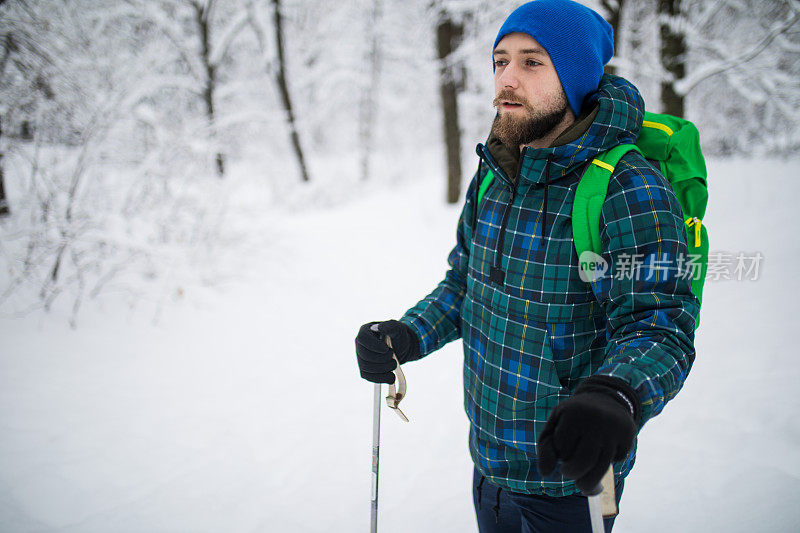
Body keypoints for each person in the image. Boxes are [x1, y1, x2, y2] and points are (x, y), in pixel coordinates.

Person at [355, 0, 699, 531]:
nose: (507, 79)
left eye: (532, 62)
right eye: (500, 60)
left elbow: (660, 326)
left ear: (577, 75)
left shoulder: (628, 187)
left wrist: (616, 393)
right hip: (491, 467)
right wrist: (407, 334)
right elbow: (463, 283)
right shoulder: (495, 171)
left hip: (578, 479)